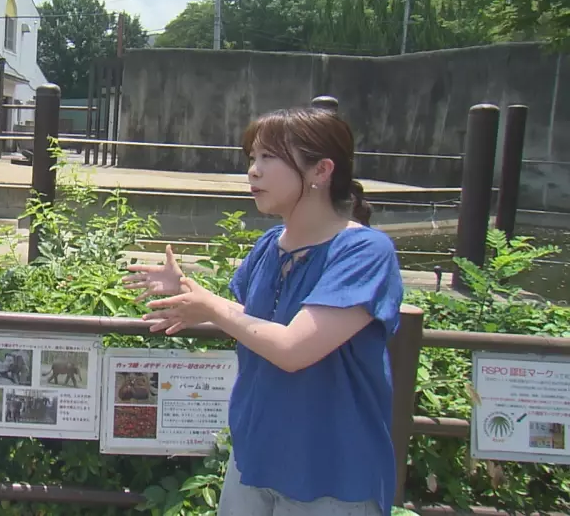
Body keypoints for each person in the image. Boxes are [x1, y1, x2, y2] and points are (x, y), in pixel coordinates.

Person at [124, 106, 404, 516]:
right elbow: (256, 319)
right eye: (251, 158)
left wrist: (212, 307)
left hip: (331, 472)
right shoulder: (271, 244)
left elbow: (293, 347)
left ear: (321, 171)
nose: (253, 171)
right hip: (254, 457)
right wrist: (188, 293)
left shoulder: (365, 251)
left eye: (268, 158)